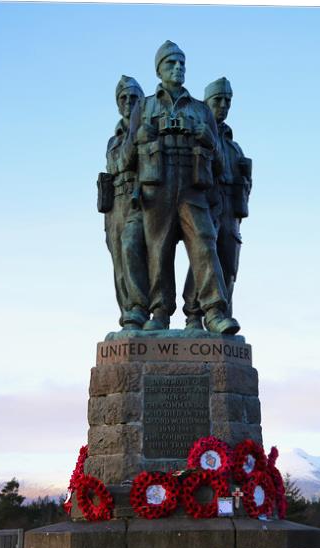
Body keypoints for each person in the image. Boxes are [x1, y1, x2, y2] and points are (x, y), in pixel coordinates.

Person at [126, 41, 240, 335]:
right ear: (159, 70)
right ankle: (160, 312)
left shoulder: (201, 111)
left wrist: (209, 139)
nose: (177, 68)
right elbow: (127, 158)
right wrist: (139, 136)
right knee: (158, 250)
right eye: (170, 64)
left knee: (204, 242)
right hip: (157, 183)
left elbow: (218, 163)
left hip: (192, 185)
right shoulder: (145, 105)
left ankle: (213, 311)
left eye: (181, 64)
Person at [183, 77, 252, 328]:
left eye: (227, 101)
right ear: (207, 103)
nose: (223, 105)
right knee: (203, 259)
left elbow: (245, 184)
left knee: (228, 266)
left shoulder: (235, 148)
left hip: (230, 212)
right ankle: (193, 314)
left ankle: (222, 316)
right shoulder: (197, 133)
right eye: (218, 100)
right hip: (206, 203)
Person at [103, 75, 149, 330]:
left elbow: (129, 163)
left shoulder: (144, 131)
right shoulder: (113, 139)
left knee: (132, 248)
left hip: (139, 200)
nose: (128, 102)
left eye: (134, 98)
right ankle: (128, 315)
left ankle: (139, 308)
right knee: (119, 262)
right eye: (124, 98)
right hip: (114, 206)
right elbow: (113, 167)